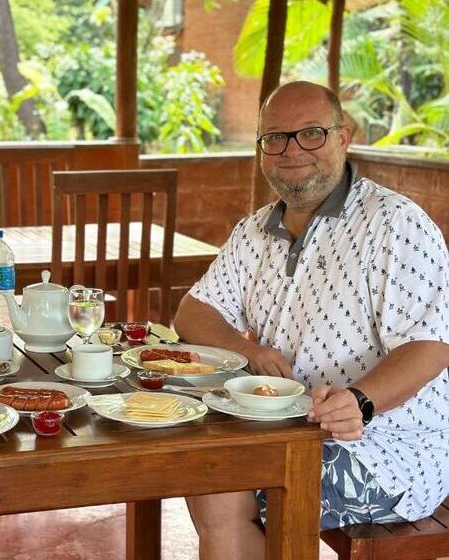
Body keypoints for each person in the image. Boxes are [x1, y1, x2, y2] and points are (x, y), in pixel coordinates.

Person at [174, 81, 448, 560]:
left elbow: (432, 346)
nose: (292, 149)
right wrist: (247, 350)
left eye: (312, 133)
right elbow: (193, 311)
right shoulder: (255, 229)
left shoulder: (394, 223)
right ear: (261, 149)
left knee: (221, 480)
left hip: (390, 448)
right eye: (276, 137)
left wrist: (360, 401)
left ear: (344, 137)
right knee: (206, 465)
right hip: (291, 427)